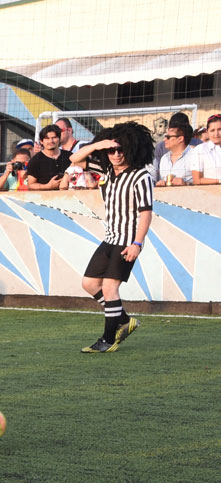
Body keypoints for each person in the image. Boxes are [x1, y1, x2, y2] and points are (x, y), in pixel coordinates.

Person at [69, 122, 154, 354]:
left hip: (127, 240)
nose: (116, 154)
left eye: (121, 149)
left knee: (109, 287)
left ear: (133, 149)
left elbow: (145, 212)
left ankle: (108, 340)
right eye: (112, 150)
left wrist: (137, 243)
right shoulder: (106, 170)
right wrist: (99, 144)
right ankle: (124, 321)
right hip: (109, 237)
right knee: (89, 283)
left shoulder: (140, 176)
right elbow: (74, 159)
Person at [27, 125, 71, 190]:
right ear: (41, 141)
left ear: (59, 139)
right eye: (47, 138)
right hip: (46, 198)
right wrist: (48, 186)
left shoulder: (69, 156)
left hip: (70, 196)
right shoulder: (35, 161)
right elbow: (31, 185)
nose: (51, 141)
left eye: (54, 137)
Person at [190, 113, 221, 185]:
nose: (216, 134)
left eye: (219, 129)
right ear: (207, 132)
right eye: (212, 130)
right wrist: (219, 181)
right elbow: (197, 180)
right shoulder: (200, 150)